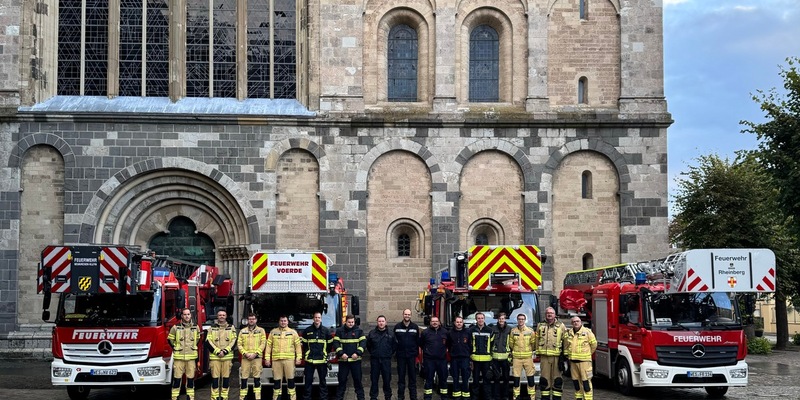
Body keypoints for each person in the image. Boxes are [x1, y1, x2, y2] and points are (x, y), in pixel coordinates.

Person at [265, 315, 302, 400]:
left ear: (287, 322)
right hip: (276, 361)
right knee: (277, 382)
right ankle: (277, 398)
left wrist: (298, 358)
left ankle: (292, 398)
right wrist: (267, 359)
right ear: (279, 322)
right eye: (281, 321)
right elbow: (268, 346)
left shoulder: (293, 332)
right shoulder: (273, 332)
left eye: (285, 321)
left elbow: (298, 347)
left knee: (291, 381)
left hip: (289, 361)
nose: (283, 322)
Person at [535, 307, 567, 400]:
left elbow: (565, 341)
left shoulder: (561, 326)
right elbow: (536, 340)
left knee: (557, 380)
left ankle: (557, 398)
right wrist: (537, 352)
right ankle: (545, 398)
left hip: (556, 357)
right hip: (544, 357)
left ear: (555, 315)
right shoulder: (540, 325)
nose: (549, 314)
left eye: (551, 313)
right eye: (548, 313)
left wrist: (564, 356)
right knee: (544, 379)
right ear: (545, 314)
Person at [168, 308, 200, 400]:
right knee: (177, 380)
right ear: (182, 316)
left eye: (188, 314)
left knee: (190, 380)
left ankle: (190, 397)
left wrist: (192, 348)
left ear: (191, 315)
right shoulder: (175, 327)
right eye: (185, 314)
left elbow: (197, 339)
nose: (187, 316)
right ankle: (175, 397)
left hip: (191, 358)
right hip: (179, 358)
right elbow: (170, 339)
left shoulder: (195, 327)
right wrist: (176, 348)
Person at [563, 316, 598, 400]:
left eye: (577, 321)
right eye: (574, 321)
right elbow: (566, 346)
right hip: (573, 362)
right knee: (576, 383)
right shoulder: (569, 333)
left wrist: (587, 354)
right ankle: (578, 398)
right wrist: (568, 356)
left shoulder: (587, 332)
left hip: (584, 362)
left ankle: (588, 399)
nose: (576, 323)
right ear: (572, 323)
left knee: (586, 383)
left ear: (581, 322)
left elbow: (594, 345)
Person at [334, 314, 366, 400]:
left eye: (352, 322)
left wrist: (357, 353)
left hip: (356, 361)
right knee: (342, 382)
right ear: (345, 321)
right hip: (343, 361)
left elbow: (363, 344)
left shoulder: (359, 331)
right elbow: (336, 344)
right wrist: (341, 353)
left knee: (358, 382)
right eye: (349, 322)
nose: (351, 324)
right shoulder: (339, 331)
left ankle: (361, 398)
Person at [207, 310, 237, 400]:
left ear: (226, 316)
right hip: (215, 358)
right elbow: (208, 341)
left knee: (226, 379)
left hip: (227, 357)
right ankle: (214, 397)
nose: (222, 316)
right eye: (220, 315)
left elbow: (234, 341)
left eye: (223, 315)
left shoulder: (231, 328)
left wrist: (225, 351)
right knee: (215, 379)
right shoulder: (211, 328)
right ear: (217, 316)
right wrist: (217, 351)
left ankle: (224, 397)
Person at [302, 312, 332, 400]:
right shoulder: (307, 331)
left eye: (319, 317)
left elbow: (330, 345)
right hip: (310, 361)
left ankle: (323, 398)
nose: (317, 319)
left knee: (323, 382)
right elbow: (304, 345)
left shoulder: (326, 331)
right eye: (315, 317)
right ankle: (307, 398)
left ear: (321, 319)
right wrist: (307, 353)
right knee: (308, 381)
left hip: (322, 361)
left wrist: (325, 353)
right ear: (313, 319)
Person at [238, 313, 267, 400]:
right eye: (250, 319)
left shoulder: (261, 330)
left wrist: (255, 354)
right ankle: (243, 397)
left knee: (257, 379)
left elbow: (263, 343)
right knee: (244, 379)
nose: (251, 320)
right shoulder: (242, 331)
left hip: (257, 358)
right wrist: (245, 353)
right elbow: (239, 344)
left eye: (253, 319)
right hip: (245, 358)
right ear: (248, 320)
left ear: (256, 320)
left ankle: (257, 397)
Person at [507, 313, 536, 400]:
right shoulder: (513, 331)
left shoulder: (530, 331)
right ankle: (516, 396)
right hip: (516, 358)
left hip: (528, 358)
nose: (521, 320)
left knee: (530, 379)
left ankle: (532, 397)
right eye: (519, 319)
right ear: (517, 320)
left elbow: (533, 344)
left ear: (525, 320)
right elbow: (511, 344)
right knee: (516, 380)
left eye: (522, 319)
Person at [367, 315, 396, 400]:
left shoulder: (391, 334)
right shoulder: (372, 333)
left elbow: (394, 346)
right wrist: (373, 353)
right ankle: (373, 397)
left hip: (386, 360)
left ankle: (388, 397)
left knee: (387, 380)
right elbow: (368, 346)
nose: (381, 323)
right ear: (377, 322)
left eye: (383, 321)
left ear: (386, 322)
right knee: (374, 380)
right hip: (375, 360)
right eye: (379, 321)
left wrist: (389, 354)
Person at [420, 316, 449, 400]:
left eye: (436, 321)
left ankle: (444, 397)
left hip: (442, 360)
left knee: (443, 379)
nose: (435, 323)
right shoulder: (425, 332)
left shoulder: (445, 332)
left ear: (439, 322)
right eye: (433, 321)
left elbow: (448, 344)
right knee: (428, 380)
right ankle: (428, 397)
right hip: (429, 360)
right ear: (430, 323)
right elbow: (421, 344)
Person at [394, 309, 420, 400]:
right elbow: (394, 341)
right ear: (403, 315)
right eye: (405, 314)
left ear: (411, 315)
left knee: (412, 378)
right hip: (401, 356)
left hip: (412, 356)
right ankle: (400, 397)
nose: (407, 316)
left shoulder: (415, 327)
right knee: (401, 378)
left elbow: (418, 342)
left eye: (409, 314)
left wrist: (417, 355)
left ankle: (413, 397)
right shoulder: (397, 327)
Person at [469, 312, 492, 400]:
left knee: (487, 380)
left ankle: (487, 397)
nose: (480, 320)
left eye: (482, 318)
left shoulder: (490, 330)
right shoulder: (471, 330)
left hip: (486, 360)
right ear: (476, 319)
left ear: (484, 319)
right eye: (478, 318)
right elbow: (469, 344)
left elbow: (492, 344)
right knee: (475, 381)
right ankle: (475, 398)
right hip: (475, 360)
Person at [447, 316, 471, 399]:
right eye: (457, 322)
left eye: (460, 322)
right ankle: (456, 395)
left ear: (463, 323)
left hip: (465, 357)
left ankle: (465, 395)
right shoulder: (450, 333)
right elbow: (448, 344)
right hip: (454, 358)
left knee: (465, 377)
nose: (459, 323)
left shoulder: (467, 332)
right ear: (454, 323)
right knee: (455, 376)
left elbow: (470, 344)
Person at [490, 313, 512, 400]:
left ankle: (505, 396)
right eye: (500, 318)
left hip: (505, 358)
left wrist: (510, 358)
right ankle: (496, 396)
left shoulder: (510, 329)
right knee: (496, 378)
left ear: (505, 319)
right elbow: (490, 343)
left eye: (503, 318)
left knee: (506, 379)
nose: (501, 320)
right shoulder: (493, 329)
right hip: (495, 358)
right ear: (497, 319)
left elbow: (512, 344)